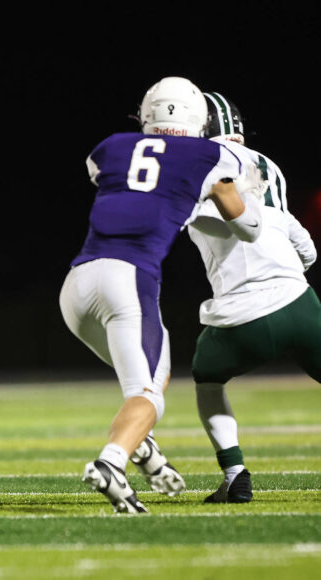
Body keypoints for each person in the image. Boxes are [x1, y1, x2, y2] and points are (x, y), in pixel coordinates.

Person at [59, 76, 265, 514]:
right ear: (198, 117)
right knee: (148, 392)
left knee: (153, 376)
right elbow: (248, 227)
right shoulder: (212, 154)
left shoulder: (112, 146)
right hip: (128, 281)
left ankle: (144, 451)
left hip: (76, 285)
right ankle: (111, 463)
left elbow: (118, 181)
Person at [189, 91, 319, 503]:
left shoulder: (190, 168)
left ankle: (234, 471)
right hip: (299, 301)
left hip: (240, 313)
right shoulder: (268, 167)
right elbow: (303, 246)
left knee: (207, 379)